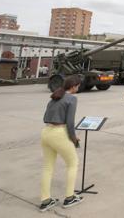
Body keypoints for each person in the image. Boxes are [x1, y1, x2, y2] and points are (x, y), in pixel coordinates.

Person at [39, 75, 83, 212]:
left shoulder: (54, 96)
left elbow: (45, 117)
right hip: (59, 133)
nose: (78, 88)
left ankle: (45, 200)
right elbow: (70, 123)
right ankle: (69, 197)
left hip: (46, 132)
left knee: (47, 167)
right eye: (78, 86)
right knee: (73, 163)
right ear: (74, 86)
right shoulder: (72, 98)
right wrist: (74, 138)